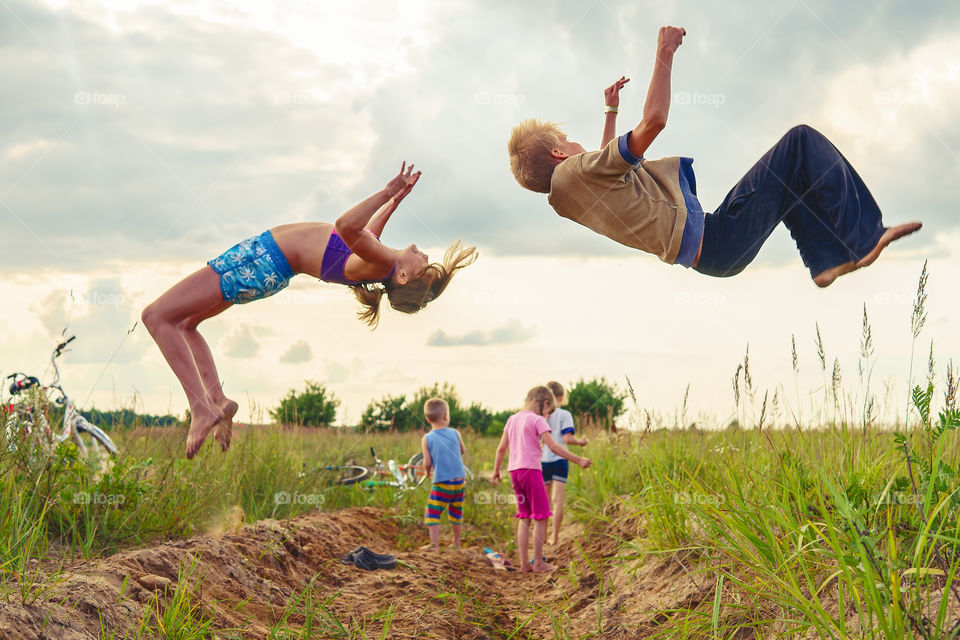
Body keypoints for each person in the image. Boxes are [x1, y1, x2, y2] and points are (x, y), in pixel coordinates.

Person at [507, 26, 921, 288]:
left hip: (716, 248)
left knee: (788, 175)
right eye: (570, 142)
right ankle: (861, 238)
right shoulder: (575, 174)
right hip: (718, 239)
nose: (581, 148)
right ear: (561, 152)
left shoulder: (567, 195)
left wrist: (611, 111)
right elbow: (653, 122)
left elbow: (604, 165)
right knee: (800, 142)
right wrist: (664, 54)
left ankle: (823, 262)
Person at [142, 164, 477, 458]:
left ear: (402, 277)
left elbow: (346, 225)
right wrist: (395, 201)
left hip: (261, 261)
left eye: (424, 266)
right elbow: (366, 233)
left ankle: (201, 408)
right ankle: (218, 400)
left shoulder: (383, 262)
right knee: (186, 324)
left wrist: (386, 191)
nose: (424, 255)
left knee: (156, 316)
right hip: (267, 265)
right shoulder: (377, 261)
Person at [492, 386, 591, 573]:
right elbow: (553, 446)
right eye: (548, 411)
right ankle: (537, 563)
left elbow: (501, 448)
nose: (547, 415)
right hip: (531, 471)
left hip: (514, 472)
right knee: (541, 517)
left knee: (524, 517)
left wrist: (496, 470)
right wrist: (578, 459)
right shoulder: (538, 420)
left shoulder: (512, 419)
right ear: (545, 403)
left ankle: (524, 564)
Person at [540, 381, 588, 546]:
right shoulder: (564, 414)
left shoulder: (541, 415)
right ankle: (555, 537)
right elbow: (567, 439)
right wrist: (581, 442)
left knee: (545, 500)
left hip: (543, 460)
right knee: (557, 500)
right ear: (560, 396)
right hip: (560, 460)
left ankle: (543, 534)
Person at [420, 397, 467, 550]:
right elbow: (463, 451)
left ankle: (434, 545)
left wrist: (427, 473)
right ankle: (457, 543)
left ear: (427, 419)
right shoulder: (455, 433)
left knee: (432, 511)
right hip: (460, 481)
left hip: (442, 482)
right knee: (456, 510)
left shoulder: (427, 438)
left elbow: (427, 463)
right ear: (446, 415)